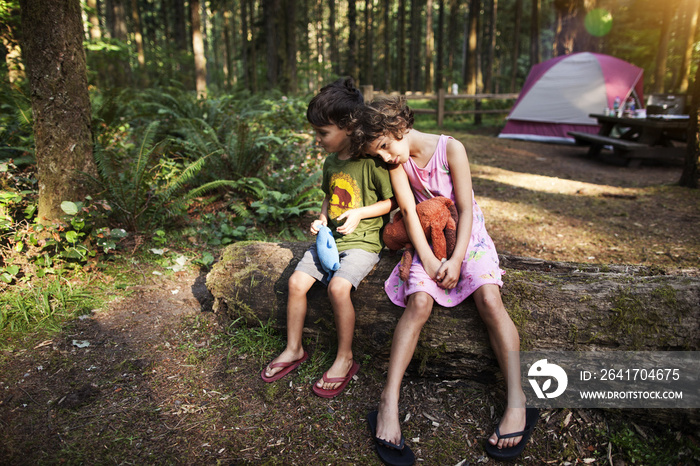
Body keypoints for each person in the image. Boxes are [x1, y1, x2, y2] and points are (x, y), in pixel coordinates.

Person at [351, 96, 538, 464]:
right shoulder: (396, 166)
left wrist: (455, 259)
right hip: (427, 239)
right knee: (418, 301)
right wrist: (431, 259)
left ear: (400, 127)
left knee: (489, 299)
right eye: (379, 155)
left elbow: (466, 208)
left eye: (387, 147)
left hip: (467, 235)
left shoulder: (451, 148)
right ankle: (389, 401)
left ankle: (517, 401)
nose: (387, 158)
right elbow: (408, 211)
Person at [261, 78, 395, 399]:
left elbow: (392, 202)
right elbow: (329, 197)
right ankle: (294, 348)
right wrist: (322, 218)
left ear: (349, 127)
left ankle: (345, 358)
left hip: (363, 243)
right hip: (330, 240)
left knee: (338, 288)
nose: (318, 140)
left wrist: (361, 214)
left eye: (323, 133)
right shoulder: (330, 162)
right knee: (296, 283)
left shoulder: (372, 161)